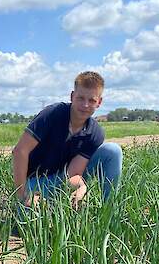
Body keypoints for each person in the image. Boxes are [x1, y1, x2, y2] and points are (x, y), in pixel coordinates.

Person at [12, 71, 122, 208]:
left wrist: (82, 187)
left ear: (99, 102)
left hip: (61, 179)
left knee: (112, 150)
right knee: (30, 222)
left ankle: (109, 211)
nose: (86, 105)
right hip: (35, 181)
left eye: (92, 100)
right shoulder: (52, 114)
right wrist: (23, 196)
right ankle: (40, 202)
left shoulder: (95, 133)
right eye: (81, 98)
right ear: (72, 96)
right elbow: (20, 151)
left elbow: (72, 174)